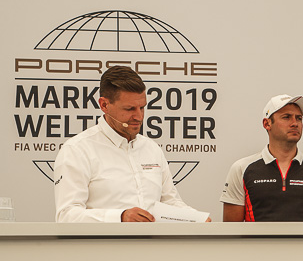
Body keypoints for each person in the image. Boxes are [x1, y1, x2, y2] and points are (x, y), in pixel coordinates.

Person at [54, 66, 208, 222]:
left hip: (153, 246)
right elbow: (66, 215)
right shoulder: (77, 150)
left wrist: (198, 219)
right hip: (102, 246)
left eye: (142, 107)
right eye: (129, 109)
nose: (139, 116)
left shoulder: (151, 148)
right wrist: (120, 217)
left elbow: (170, 202)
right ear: (104, 105)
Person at [221, 95, 303, 222]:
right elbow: (231, 233)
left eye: (299, 118)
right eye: (286, 117)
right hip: (256, 243)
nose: (295, 123)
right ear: (267, 123)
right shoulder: (241, 168)